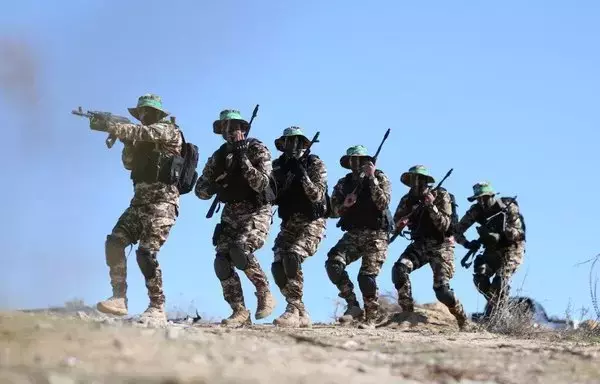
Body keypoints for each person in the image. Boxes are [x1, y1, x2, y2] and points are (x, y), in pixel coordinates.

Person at [91, 94, 183, 324]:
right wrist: (126, 142)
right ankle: (119, 297)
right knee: (115, 241)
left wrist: (121, 129)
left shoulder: (168, 130)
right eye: (141, 112)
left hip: (163, 204)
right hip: (139, 203)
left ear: (157, 114)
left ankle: (157, 306)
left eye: (148, 112)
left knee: (146, 253)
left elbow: (145, 133)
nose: (144, 116)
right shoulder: (139, 136)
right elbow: (129, 163)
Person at [194, 109, 276, 326]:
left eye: (235, 128)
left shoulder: (256, 149)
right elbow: (200, 191)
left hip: (257, 210)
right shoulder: (219, 156)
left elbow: (260, 183)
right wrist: (216, 183)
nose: (231, 132)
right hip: (231, 212)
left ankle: (263, 291)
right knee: (221, 260)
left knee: (240, 250)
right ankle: (239, 311)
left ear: (243, 129)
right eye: (226, 129)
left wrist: (243, 158)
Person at [391, 165, 468, 329]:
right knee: (399, 269)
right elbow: (394, 223)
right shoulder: (407, 199)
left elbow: (445, 225)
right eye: (413, 179)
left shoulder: (441, 195)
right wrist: (400, 223)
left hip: (441, 247)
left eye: (419, 179)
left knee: (442, 291)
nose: (416, 183)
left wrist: (431, 206)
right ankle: (407, 312)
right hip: (420, 245)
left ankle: (462, 317)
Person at [325, 145, 392, 328]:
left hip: (377, 234)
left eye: (359, 160)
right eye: (352, 161)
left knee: (366, 277)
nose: (356, 164)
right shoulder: (344, 183)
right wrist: (346, 205)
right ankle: (352, 304)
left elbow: (383, 202)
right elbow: (334, 210)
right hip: (354, 233)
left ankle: (371, 317)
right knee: (333, 263)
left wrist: (371, 178)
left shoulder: (379, 177)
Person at [270, 127, 328, 327]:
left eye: (297, 141)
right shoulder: (278, 166)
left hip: (313, 221)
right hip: (289, 222)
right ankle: (299, 309)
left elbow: (317, 195)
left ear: (304, 144)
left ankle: (293, 309)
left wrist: (301, 173)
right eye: (288, 141)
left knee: (292, 256)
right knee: (278, 264)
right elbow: (270, 194)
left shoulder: (314, 163)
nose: (292, 146)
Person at [454, 181, 526, 318]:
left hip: (512, 248)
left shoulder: (508, 208)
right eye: (478, 199)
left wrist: (504, 229)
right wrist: (467, 244)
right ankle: (500, 310)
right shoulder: (476, 211)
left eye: (485, 197)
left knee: (500, 280)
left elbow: (519, 233)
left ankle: (499, 314)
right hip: (492, 248)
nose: (482, 201)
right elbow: (456, 231)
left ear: (492, 195)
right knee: (480, 277)